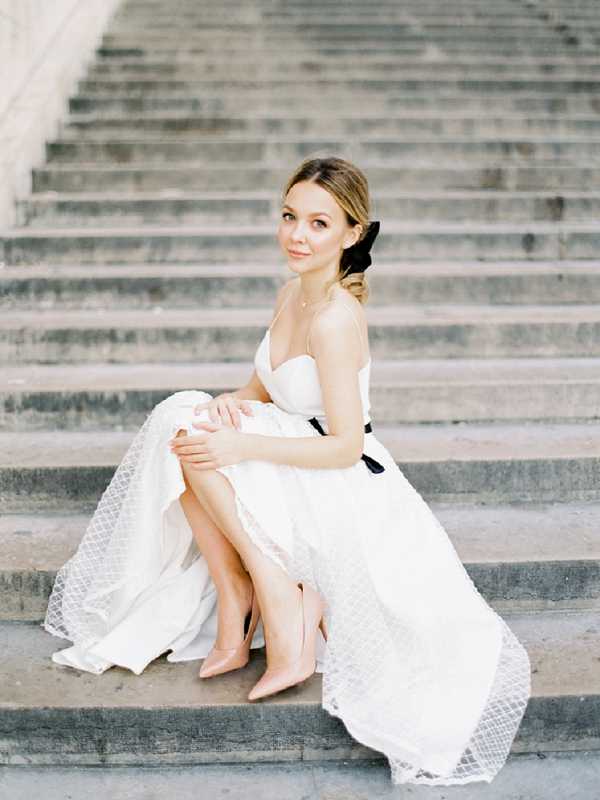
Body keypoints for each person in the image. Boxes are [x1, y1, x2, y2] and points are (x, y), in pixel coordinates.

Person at [43, 156, 531, 786]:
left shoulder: (334, 319)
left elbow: (347, 446)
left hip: (337, 473)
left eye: (319, 223)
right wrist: (227, 407)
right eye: (289, 217)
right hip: (290, 447)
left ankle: (277, 596)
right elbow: (261, 390)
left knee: (202, 440)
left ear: (351, 234)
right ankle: (239, 591)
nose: (297, 235)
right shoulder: (291, 294)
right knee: (182, 420)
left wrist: (242, 448)